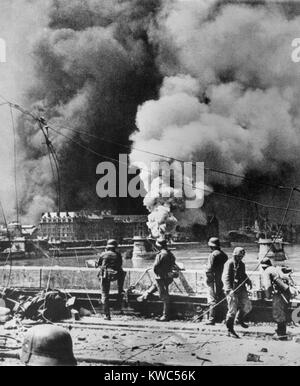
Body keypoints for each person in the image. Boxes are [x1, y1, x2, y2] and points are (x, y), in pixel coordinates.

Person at [260, 257, 297, 340]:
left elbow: (268, 286)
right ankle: (282, 331)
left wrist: (268, 296)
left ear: (263, 266)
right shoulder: (276, 268)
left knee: (278, 313)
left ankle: (281, 334)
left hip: (278, 294)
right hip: (286, 292)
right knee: (283, 311)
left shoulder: (266, 272)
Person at [222, 247, 252, 338]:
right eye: (238, 256)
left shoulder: (241, 264)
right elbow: (225, 277)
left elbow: (243, 274)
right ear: (234, 255)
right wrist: (229, 289)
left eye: (241, 256)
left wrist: (248, 281)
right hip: (231, 289)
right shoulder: (229, 263)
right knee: (232, 310)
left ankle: (239, 319)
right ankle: (230, 330)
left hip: (241, 288)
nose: (240, 258)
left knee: (247, 306)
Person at [96, 239, 126, 321]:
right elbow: (120, 265)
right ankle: (120, 291)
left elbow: (98, 265)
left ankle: (107, 315)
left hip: (105, 276)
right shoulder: (118, 255)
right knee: (120, 290)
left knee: (105, 295)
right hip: (116, 275)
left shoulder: (103, 254)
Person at [151, 237, 178, 321]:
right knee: (165, 294)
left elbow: (155, 266)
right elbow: (173, 262)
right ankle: (165, 314)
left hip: (161, 277)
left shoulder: (160, 254)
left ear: (159, 246)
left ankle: (165, 316)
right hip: (168, 277)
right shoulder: (170, 253)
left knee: (164, 296)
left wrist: (158, 274)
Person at [205, 237, 228, 325]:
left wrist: (208, 280)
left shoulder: (213, 255)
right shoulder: (223, 254)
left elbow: (209, 269)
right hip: (221, 279)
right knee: (222, 297)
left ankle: (211, 319)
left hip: (213, 279)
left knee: (212, 298)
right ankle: (225, 317)